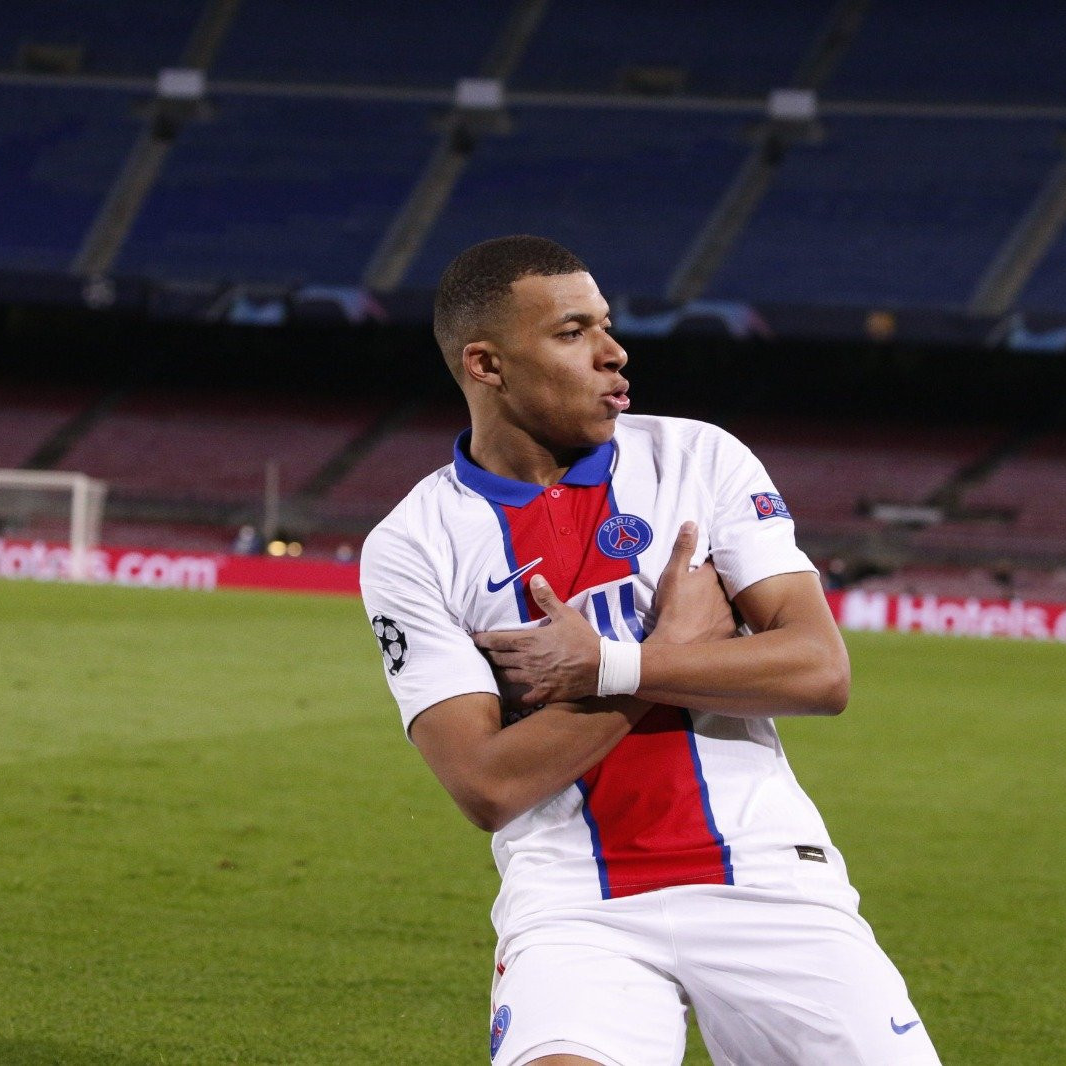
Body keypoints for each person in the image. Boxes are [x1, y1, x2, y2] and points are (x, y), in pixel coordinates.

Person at [360, 236, 940, 1066]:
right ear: (486, 364)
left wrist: (614, 663)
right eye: (571, 333)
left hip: (767, 875)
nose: (613, 351)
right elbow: (487, 783)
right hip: (571, 899)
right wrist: (673, 647)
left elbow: (820, 669)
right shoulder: (414, 543)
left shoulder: (697, 459)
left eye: (607, 324)